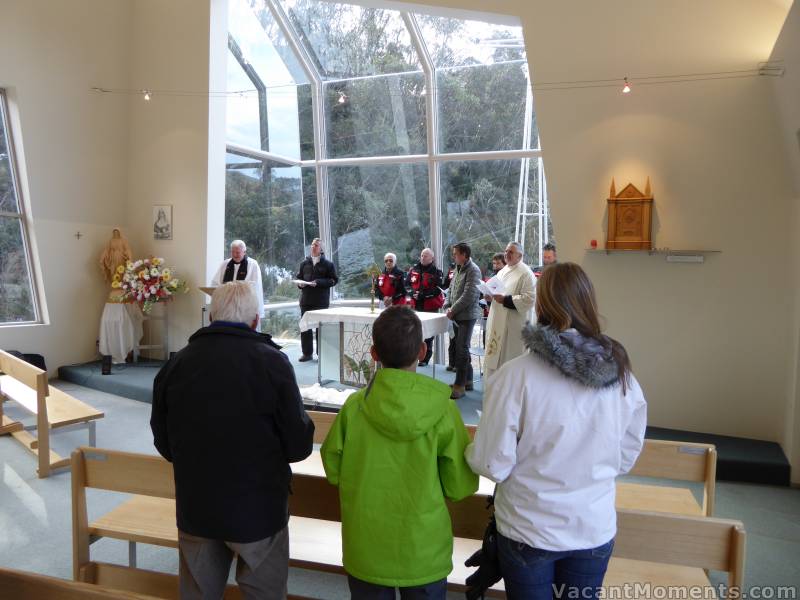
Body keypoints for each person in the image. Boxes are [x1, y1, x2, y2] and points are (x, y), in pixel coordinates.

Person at [465, 263, 647, 600]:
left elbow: (494, 464)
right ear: (589, 304)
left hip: (527, 526)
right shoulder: (621, 376)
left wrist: (469, 451)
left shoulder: (515, 376)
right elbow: (626, 455)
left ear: (541, 306)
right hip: (591, 523)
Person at [150, 281, 314, 600]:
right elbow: (298, 447)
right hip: (258, 511)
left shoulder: (177, 364)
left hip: (196, 506)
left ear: (211, 317)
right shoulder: (273, 363)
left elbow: (163, 442)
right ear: (255, 321)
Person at [320, 306, 478, 599]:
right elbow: (459, 485)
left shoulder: (354, 407)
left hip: (367, 542)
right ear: (422, 350)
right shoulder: (443, 409)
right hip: (423, 546)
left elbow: (333, 466)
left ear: (373, 353)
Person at [483, 241, 536, 380]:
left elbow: (530, 298)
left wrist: (506, 300)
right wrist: (489, 296)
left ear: (520, 255)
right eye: (506, 251)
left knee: (508, 362)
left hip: (511, 328)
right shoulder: (503, 271)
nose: (506, 254)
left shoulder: (526, 273)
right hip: (497, 323)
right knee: (494, 362)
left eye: (511, 252)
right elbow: (496, 291)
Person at [98, 228, 143, 364]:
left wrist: (127, 257)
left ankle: (126, 350)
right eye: (114, 232)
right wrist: (106, 257)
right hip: (113, 262)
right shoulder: (111, 242)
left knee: (121, 273)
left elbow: (128, 252)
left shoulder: (123, 241)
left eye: (117, 231)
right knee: (114, 273)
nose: (115, 234)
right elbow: (106, 252)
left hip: (121, 261)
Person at [444, 242, 482, 399]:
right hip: (457, 314)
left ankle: (459, 386)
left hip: (467, 316)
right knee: (462, 348)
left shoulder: (474, 270)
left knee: (461, 349)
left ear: (464, 255)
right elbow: (451, 289)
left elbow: (469, 295)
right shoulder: (457, 268)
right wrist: (447, 303)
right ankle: (468, 381)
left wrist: (453, 309)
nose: (453, 256)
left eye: (456, 254)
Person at [296, 238, 339, 362]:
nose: (313, 247)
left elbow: (334, 280)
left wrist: (318, 282)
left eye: (316, 245)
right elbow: (299, 278)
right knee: (305, 328)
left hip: (321, 302)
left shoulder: (328, 264)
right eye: (312, 245)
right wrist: (300, 284)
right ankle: (307, 353)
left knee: (321, 329)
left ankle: (322, 354)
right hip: (306, 301)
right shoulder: (304, 263)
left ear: (321, 249)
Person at [406, 248, 444, 367]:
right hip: (415, 305)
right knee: (414, 332)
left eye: (426, 256)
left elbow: (439, 289)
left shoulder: (437, 272)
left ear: (432, 258)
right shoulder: (414, 269)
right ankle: (414, 356)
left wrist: (423, 295)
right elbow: (406, 284)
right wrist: (412, 293)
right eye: (422, 255)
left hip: (430, 306)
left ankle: (425, 358)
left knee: (428, 333)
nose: (423, 257)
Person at [211, 240, 264, 318]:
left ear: (244, 252)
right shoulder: (225, 264)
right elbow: (215, 283)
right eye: (233, 252)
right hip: (226, 307)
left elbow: (255, 287)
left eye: (238, 252)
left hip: (244, 308)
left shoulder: (252, 265)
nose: (235, 255)